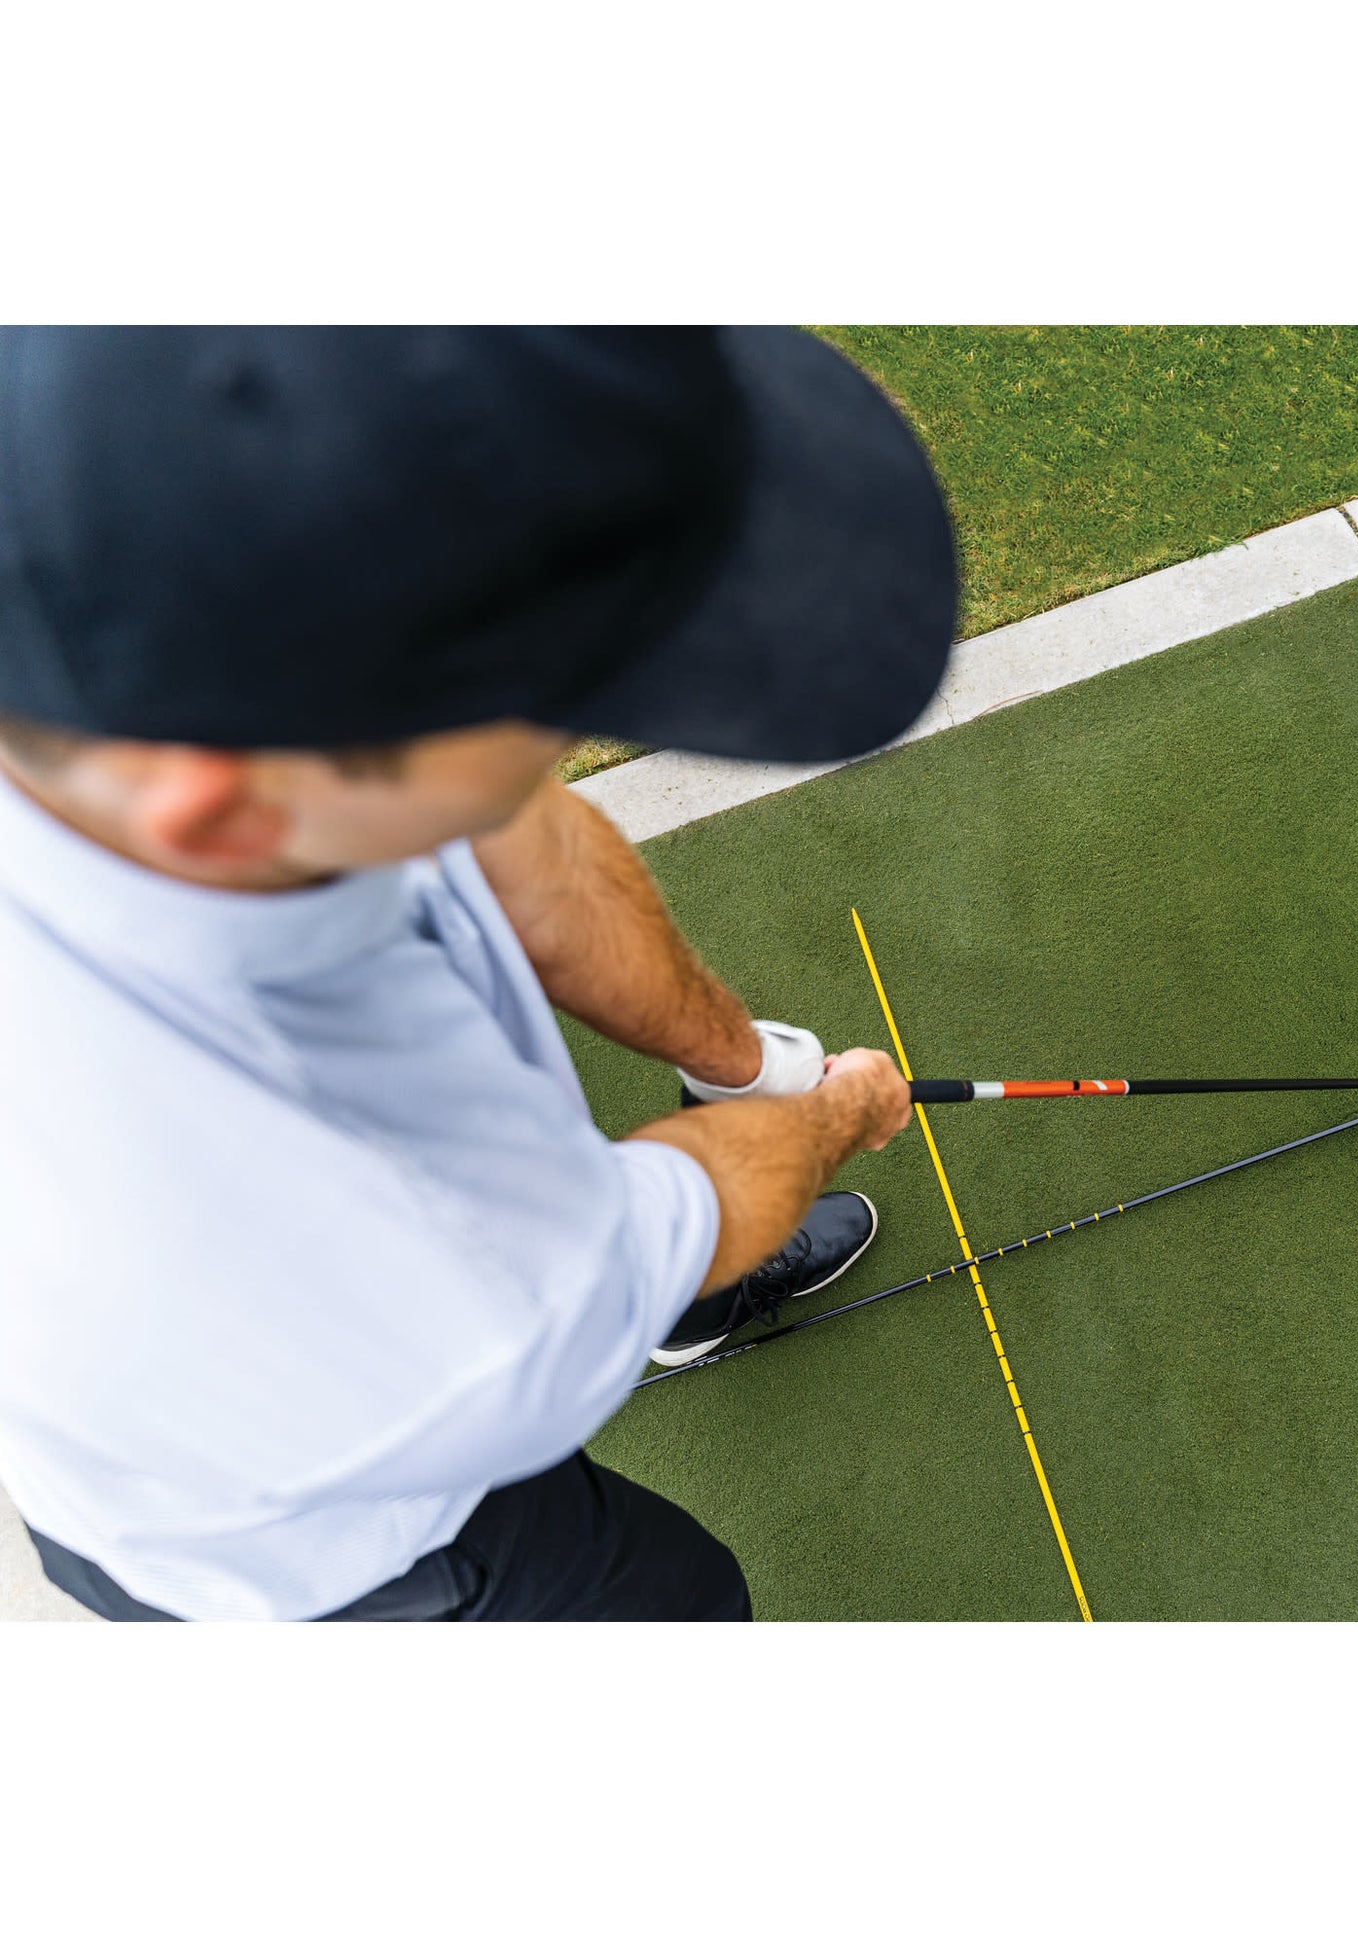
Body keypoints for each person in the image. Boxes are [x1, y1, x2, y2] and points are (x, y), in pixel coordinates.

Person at [0, 326, 958, 1621]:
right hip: (340, 1563)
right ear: (225, 814)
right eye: (553, 707)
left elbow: (522, 843)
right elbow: (644, 1230)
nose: (569, 735)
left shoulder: (217, 687)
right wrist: (838, 1110)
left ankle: (692, 1305)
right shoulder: (429, 1252)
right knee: (683, 1605)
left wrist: (747, 1069)